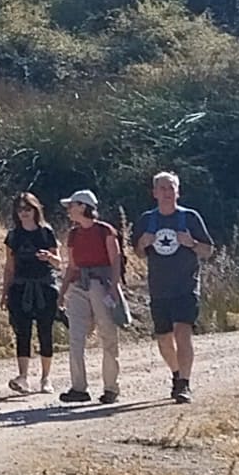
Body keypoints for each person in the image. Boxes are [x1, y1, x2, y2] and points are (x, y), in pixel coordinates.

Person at [137, 171, 217, 403]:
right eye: (162, 188)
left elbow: (208, 251)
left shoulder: (190, 218)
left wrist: (191, 243)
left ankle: (184, 383)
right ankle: (176, 373)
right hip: (159, 288)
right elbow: (139, 253)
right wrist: (142, 244)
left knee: (183, 333)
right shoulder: (147, 220)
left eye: (171, 188)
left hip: (186, 287)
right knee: (164, 339)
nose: (167, 192)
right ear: (154, 193)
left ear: (178, 192)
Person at [56, 190, 128, 405]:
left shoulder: (105, 231)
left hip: (100, 285)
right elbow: (72, 265)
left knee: (107, 335)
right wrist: (63, 291)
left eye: (72, 205)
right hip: (79, 286)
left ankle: (110, 387)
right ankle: (79, 388)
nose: (69, 210)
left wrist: (114, 287)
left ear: (82, 206)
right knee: (76, 337)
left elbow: (115, 260)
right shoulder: (74, 234)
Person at [0, 193, 65, 396]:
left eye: (27, 209)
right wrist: (5, 291)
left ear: (35, 210)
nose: (23, 213)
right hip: (20, 287)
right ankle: (23, 378)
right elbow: (9, 266)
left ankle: (46, 379)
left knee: (45, 332)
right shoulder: (13, 235)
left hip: (45, 287)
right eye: (20, 209)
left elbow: (59, 263)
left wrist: (49, 257)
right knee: (22, 332)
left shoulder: (46, 233)